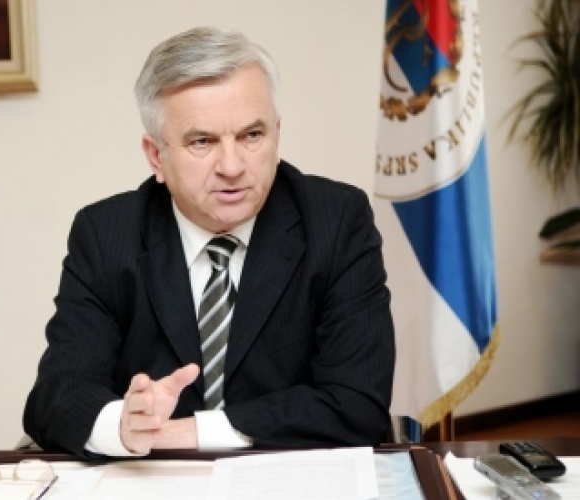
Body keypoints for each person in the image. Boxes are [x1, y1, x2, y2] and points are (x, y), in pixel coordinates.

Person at [23, 27, 395, 459]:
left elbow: (357, 404)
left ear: (277, 134)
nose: (232, 166)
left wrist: (186, 433)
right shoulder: (107, 234)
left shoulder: (336, 221)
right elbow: (56, 398)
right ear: (156, 156)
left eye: (251, 136)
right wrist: (123, 427)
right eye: (202, 141)